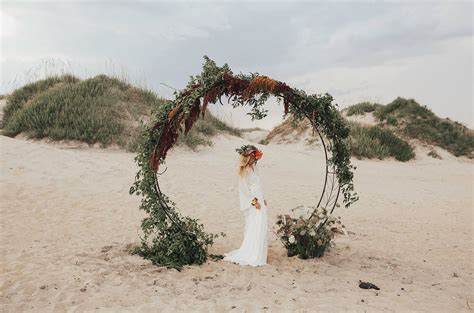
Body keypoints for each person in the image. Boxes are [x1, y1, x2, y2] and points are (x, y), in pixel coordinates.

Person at [223, 144, 268, 267]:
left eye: (254, 157)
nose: (254, 159)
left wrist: (262, 199)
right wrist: (255, 203)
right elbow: (244, 192)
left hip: (259, 200)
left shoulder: (254, 169)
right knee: (254, 226)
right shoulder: (243, 172)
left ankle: (260, 251)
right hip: (253, 203)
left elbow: (257, 185)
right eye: (251, 157)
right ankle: (252, 253)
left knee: (261, 226)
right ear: (247, 157)